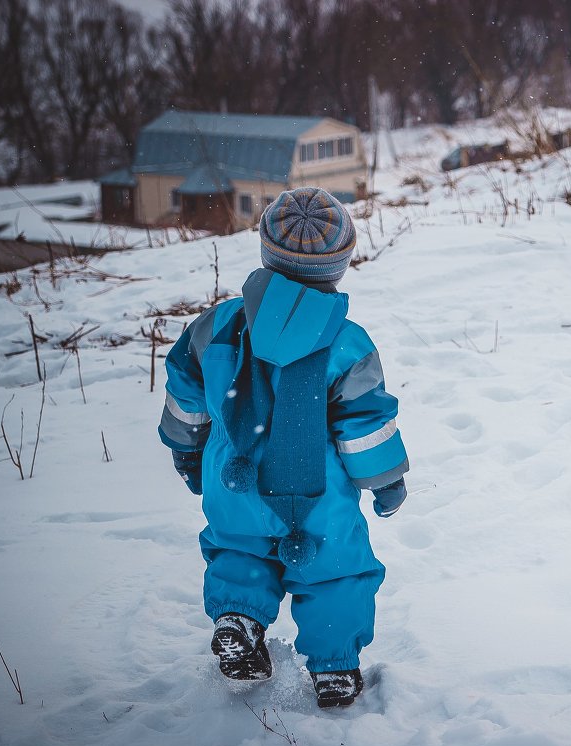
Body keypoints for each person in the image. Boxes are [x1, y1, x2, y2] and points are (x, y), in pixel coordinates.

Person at [158, 187, 408, 708]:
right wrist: (386, 481)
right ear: (338, 267)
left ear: (267, 253)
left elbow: (186, 390)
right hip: (318, 495)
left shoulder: (218, 326)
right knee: (337, 571)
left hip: (235, 478)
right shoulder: (347, 342)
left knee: (239, 548)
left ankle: (239, 619)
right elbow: (363, 423)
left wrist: (187, 449)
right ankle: (335, 668)